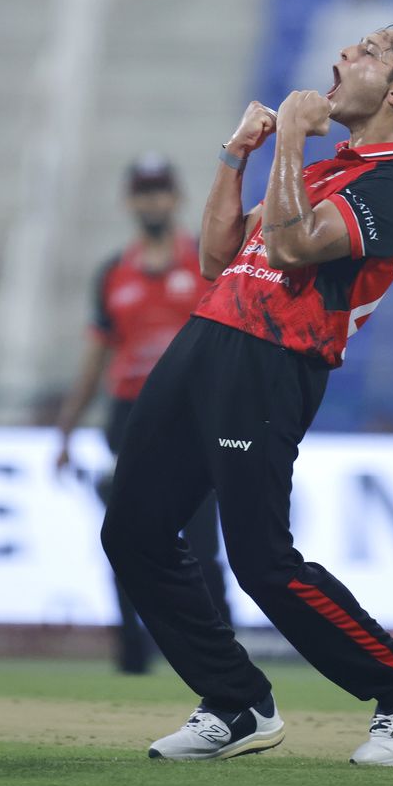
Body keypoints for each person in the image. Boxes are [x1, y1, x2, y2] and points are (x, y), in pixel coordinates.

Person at [101, 23, 393, 765]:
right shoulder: (327, 168)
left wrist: (290, 142)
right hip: (207, 340)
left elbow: (296, 247)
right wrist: (237, 155)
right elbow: (214, 257)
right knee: (132, 533)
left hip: (273, 363)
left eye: (367, 53)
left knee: (261, 558)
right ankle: (236, 704)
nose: (342, 57)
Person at [53, 154, 231, 674]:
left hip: (192, 416)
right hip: (129, 416)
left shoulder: (206, 261)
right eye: (143, 192)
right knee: (131, 543)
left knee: (201, 547)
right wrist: (66, 429)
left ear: (176, 199)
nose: (153, 200)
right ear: (130, 201)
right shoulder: (114, 272)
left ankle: (222, 658)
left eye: (160, 191)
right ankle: (133, 655)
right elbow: (96, 356)